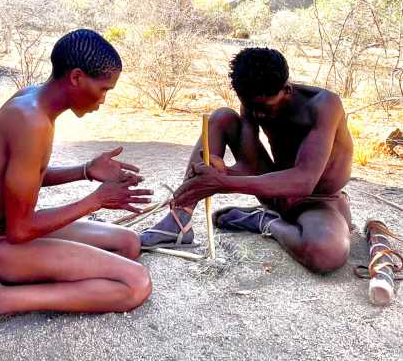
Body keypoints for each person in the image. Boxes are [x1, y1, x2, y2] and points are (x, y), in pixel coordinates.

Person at [0, 29, 153, 353]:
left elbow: (23, 179)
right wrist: (96, 200)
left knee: (127, 243)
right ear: (76, 77)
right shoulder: (31, 122)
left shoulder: (34, 101)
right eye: (102, 89)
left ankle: (3, 282)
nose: (103, 100)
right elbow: (20, 230)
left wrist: (85, 171)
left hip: (3, 235)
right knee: (135, 284)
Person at [141, 47, 353, 274]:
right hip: (274, 191)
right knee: (222, 117)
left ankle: (264, 221)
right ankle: (179, 219)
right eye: (251, 107)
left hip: (316, 201)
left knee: (327, 253)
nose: (258, 115)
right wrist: (219, 172)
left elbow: (304, 181)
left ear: (287, 89)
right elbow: (249, 167)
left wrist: (223, 183)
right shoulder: (253, 104)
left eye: (264, 108)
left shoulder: (323, 106)